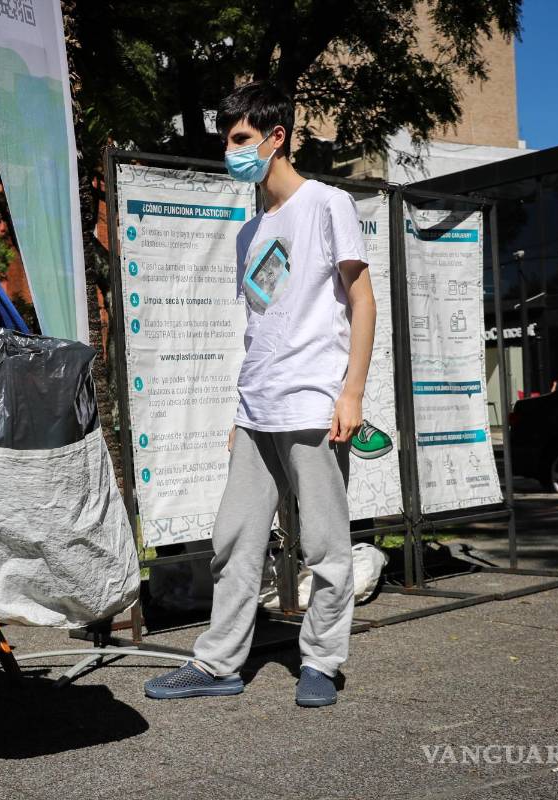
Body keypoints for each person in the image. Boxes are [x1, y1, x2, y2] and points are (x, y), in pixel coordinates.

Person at [145, 81, 376, 707]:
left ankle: (322, 662)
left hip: (312, 401)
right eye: (228, 137)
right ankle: (218, 664)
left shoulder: (328, 204)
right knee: (233, 540)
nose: (231, 148)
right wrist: (240, 410)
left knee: (325, 545)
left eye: (241, 137)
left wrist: (351, 392)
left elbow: (361, 300)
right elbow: (260, 326)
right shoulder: (251, 232)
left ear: (277, 138)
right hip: (257, 407)